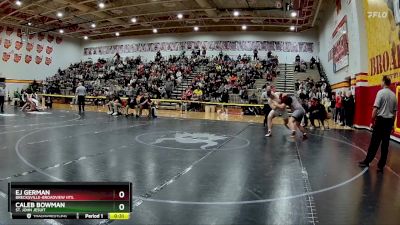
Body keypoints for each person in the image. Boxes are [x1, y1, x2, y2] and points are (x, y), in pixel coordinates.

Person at [359, 76, 397, 172]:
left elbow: (375, 108)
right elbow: (395, 113)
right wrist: (392, 124)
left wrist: (372, 121)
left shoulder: (380, 92)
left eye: (381, 81)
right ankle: (381, 166)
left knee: (374, 143)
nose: (380, 83)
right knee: (385, 145)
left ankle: (367, 161)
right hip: (389, 122)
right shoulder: (394, 95)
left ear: (384, 82)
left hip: (380, 121)